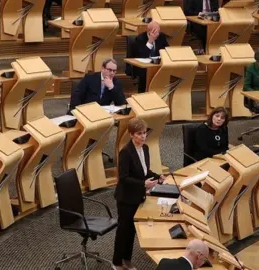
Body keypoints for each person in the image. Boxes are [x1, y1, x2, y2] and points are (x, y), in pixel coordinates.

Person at [113, 118, 166, 270]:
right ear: (131, 134)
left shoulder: (145, 149)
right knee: (123, 230)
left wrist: (157, 176)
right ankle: (117, 262)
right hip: (126, 198)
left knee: (132, 230)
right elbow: (123, 178)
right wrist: (143, 184)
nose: (143, 136)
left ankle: (127, 260)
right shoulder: (125, 152)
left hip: (138, 196)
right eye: (139, 134)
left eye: (144, 133)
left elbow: (144, 171)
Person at [133, 21, 169, 93]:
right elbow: (142, 56)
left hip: (157, 65)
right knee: (145, 74)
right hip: (143, 67)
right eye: (155, 32)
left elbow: (167, 51)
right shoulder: (140, 39)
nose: (157, 34)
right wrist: (150, 41)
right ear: (149, 31)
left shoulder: (161, 37)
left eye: (158, 31)